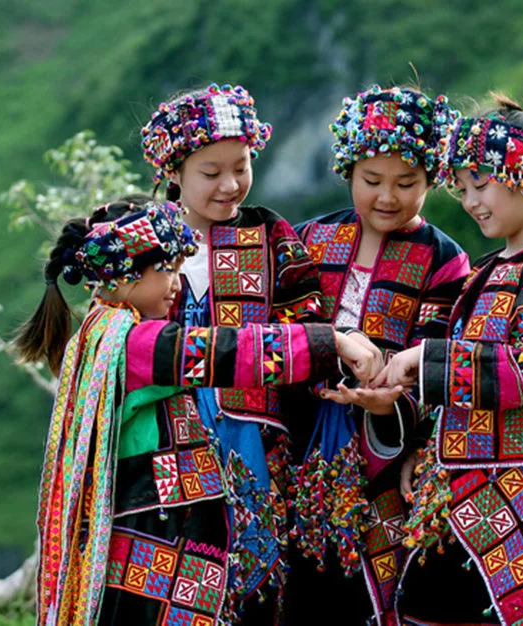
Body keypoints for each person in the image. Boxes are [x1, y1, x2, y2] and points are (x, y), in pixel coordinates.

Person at [17, 198, 379, 626]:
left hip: (157, 530)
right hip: (155, 533)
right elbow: (225, 352)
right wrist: (329, 344)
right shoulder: (136, 345)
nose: (176, 283)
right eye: (166, 269)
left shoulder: (107, 335)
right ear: (127, 274)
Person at [375, 86, 523, 626]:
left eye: (481, 184)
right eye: (460, 189)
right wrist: (420, 442)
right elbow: (458, 379)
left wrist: (425, 362)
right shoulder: (483, 272)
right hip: (454, 502)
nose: (472, 201)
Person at [140, 83, 343, 621]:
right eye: (211, 173)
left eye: (242, 166)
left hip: (252, 438)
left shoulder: (269, 235)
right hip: (165, 434)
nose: (231, 185)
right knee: (172, 571)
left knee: (254, 574)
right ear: (173, 171)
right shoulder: (143, 244)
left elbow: (307, 319)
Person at [284, 85, 470, 625]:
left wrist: (393, 410)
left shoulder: (443, 261)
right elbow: (285, 326)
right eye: (372, 181)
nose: (387, 196)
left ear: (431, 179)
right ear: (347, 171)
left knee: (370, 591)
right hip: (298, 447)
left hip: (385, 458)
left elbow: (436, 363)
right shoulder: (310, 239)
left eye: (406, 183)